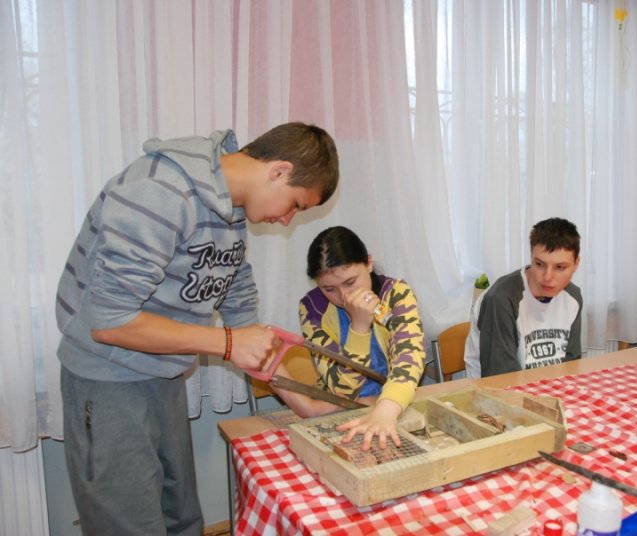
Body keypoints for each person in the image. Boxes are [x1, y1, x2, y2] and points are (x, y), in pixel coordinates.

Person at [55, 122, 339, 535]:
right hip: (107, 380)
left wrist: (304, 404)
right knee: (129, 526)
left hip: (162, 375)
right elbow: (109, 321)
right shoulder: (161, 191)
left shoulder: (230, 211)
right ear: (279, 171)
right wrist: (227, 342)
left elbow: (242, 314)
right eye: (295, 204)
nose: (286, 220)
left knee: (182, 519)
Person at [287, 226, 426, 450]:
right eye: (329, 289)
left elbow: (409, 360)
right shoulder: (312, 309)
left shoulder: (396, 293)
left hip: (395, 405)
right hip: (340, 412)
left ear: (368, 263)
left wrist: (385, 410)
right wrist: (359, 327)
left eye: (350, 282)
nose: (344, 296)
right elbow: (342, 390)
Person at [464, 217, 582, 378]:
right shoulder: (501, 299)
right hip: (496, 389)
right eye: (539, 264)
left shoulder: (573, 297)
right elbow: (500, 377)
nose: (547, 277)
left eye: (560, 267)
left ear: (576, 264)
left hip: (550, 388)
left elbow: (571, 365)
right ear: (531, 257)